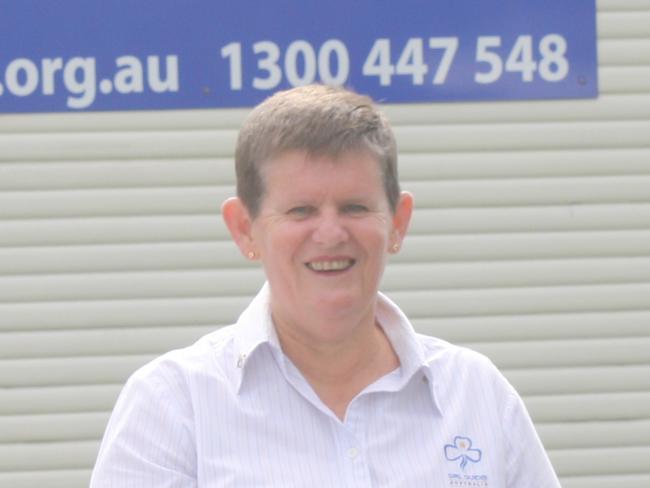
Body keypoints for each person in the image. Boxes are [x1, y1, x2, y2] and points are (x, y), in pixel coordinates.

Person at [90, 84, 560, 487]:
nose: (331, 233)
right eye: (301, 211)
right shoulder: (173, 406)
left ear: (398, 222)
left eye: (355, 207)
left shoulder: (476, 395)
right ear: (244, 228)